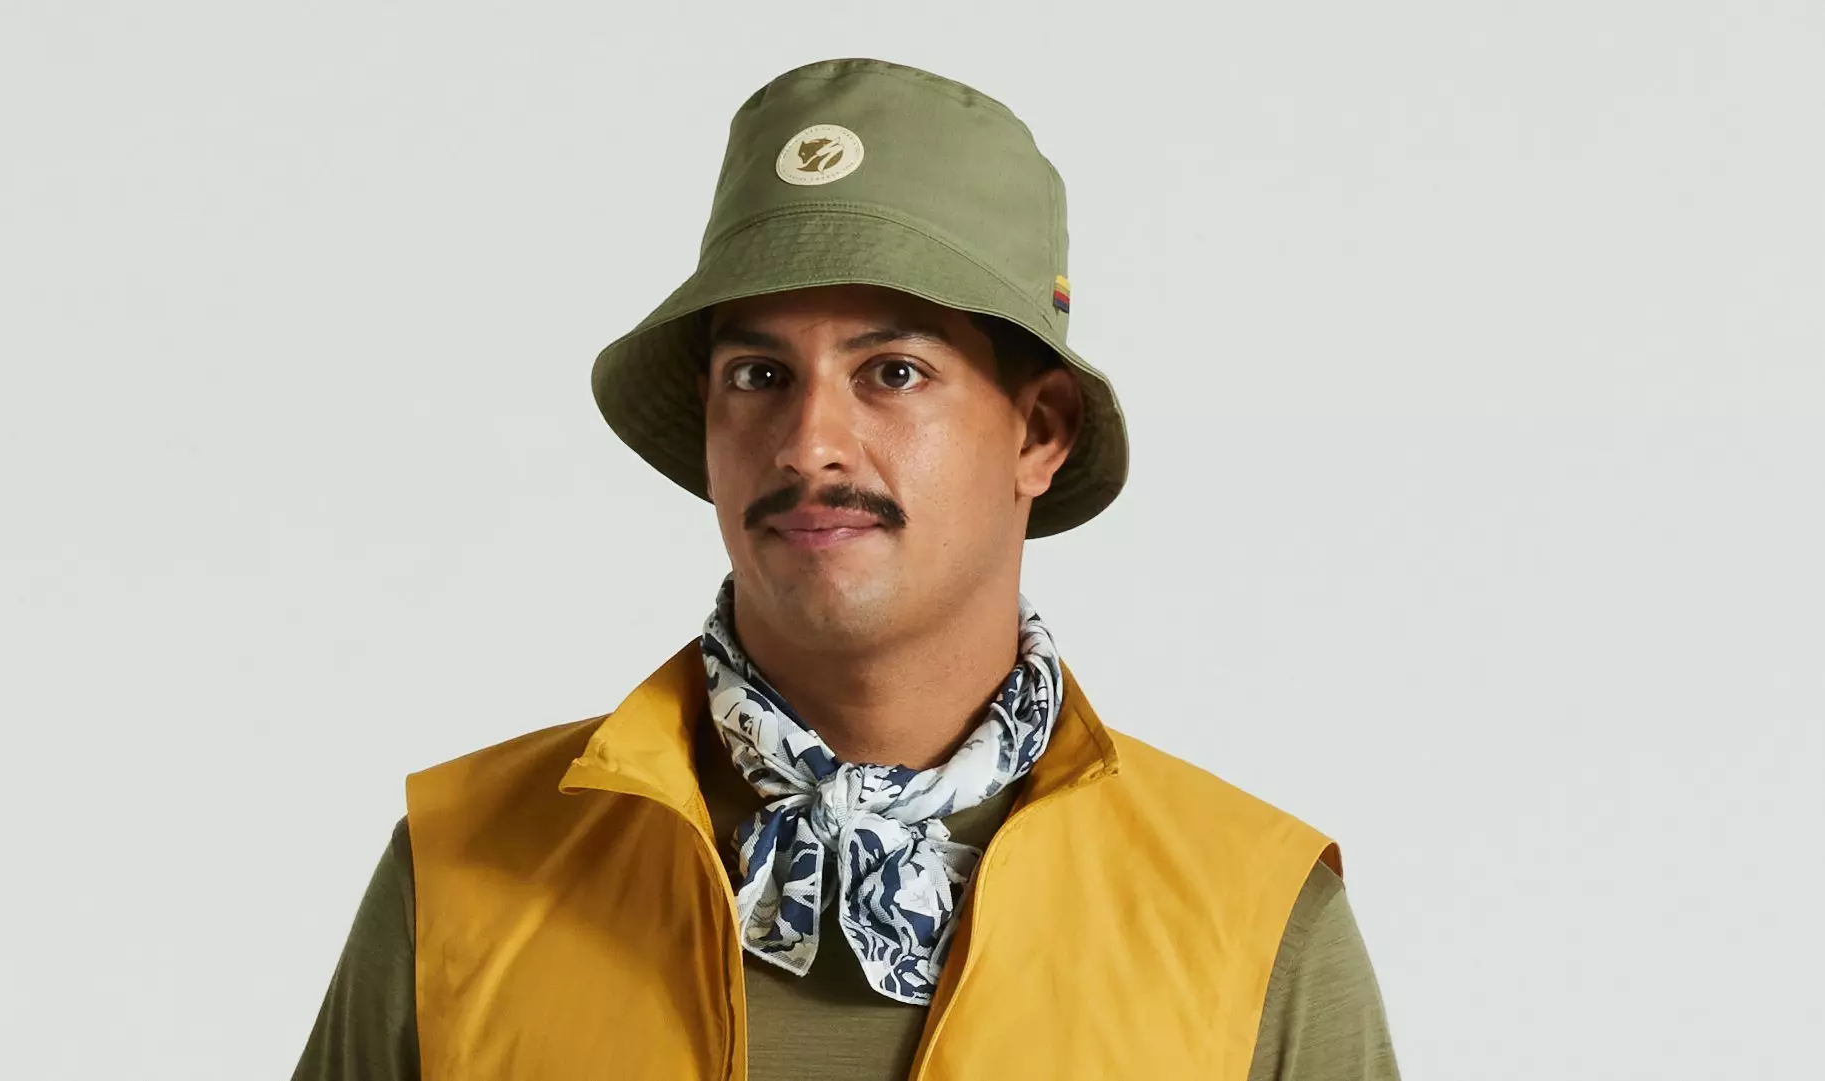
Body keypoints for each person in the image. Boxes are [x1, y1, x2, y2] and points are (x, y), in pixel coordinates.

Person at [293, 57, 1401, 1081]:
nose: (808, 444)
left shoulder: (1254, 924)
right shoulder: (464, 874)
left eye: (894, 371)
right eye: (759, 374)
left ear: (1038, 432)